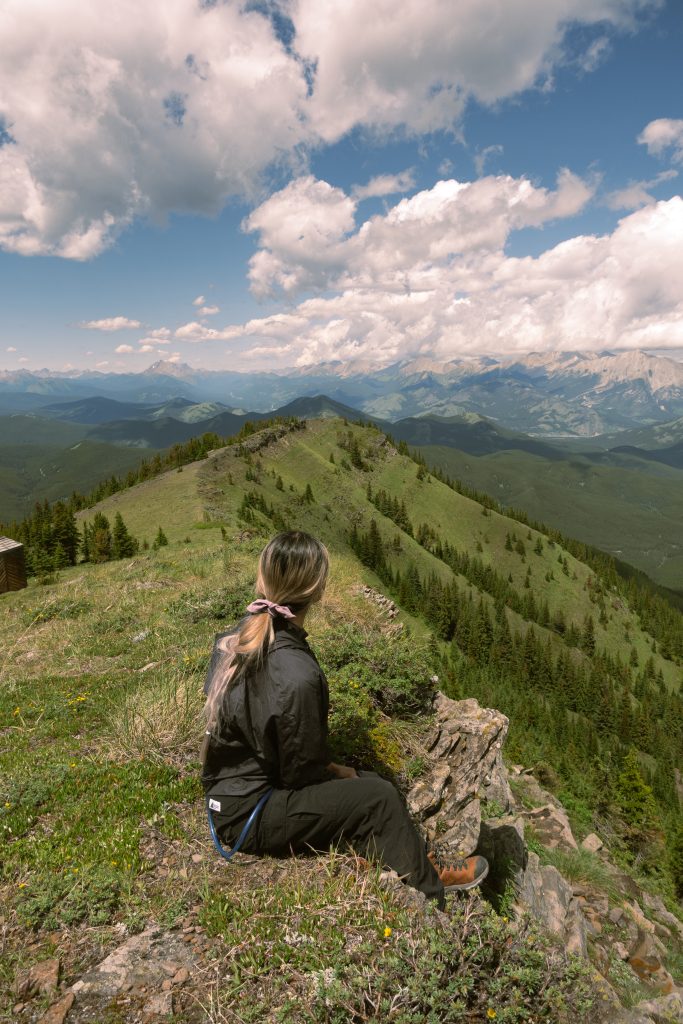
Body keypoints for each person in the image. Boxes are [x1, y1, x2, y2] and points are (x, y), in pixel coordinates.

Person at [201, 530, 488, 910]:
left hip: (231, 796)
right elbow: (300, 774)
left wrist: (340, 772)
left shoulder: (236, 638)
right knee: (378, 796)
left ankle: (413, 856)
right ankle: (429, 888)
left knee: (367, 784)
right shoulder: (296, 673)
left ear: (263, 578)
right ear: (317, 590)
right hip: (250, 816)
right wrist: (336, 772)